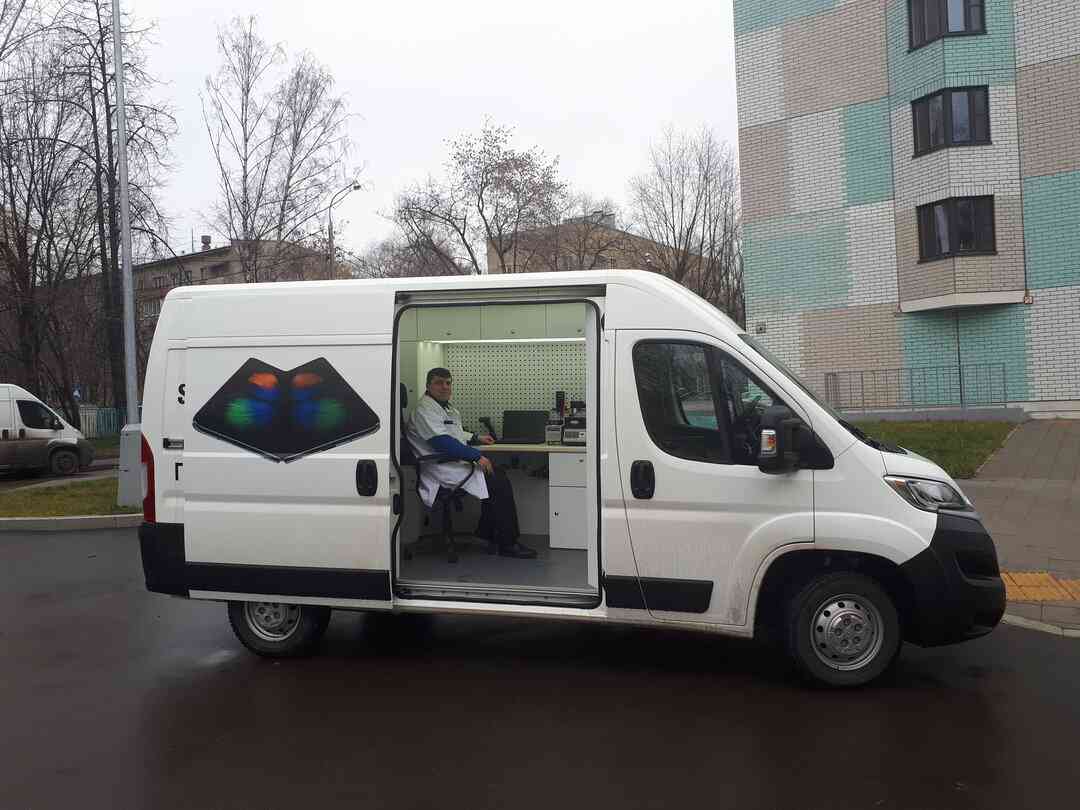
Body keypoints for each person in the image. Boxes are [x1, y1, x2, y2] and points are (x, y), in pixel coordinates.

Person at [406, 367, 537, 559]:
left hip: (450, 463)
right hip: (438, 468)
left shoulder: (446, 408)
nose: (445, 387)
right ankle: (508, 543)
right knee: (497, 481)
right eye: (438, 383)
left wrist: (476, 437)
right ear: (428, 385)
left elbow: (454, 433)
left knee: (497, 476)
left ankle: (487, 534)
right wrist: (476, 456)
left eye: (448, 383)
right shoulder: (424, 409)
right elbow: (442, 441)